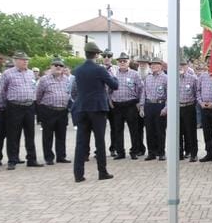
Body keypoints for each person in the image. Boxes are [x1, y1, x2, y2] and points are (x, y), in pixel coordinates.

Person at [71, 41, 118, 182]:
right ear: (97, 55)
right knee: (100, 141)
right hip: (97, 108)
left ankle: (78, 174)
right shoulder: (100, 70)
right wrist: (113, 75)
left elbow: (74, 90)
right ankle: (102, 172)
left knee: (81, 142)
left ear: (85, 53)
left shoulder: (78, 70)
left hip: (82, 108)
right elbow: (114, 85)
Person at [1, 51, 42, 170]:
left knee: (30, 134)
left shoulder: (30, 73)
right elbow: (2, 91)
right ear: (15, 61)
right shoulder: (7, 73)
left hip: (29, 106)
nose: (25, 61)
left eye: (27, 60)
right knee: (13, 134)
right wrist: (4, 106)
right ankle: (12, 160)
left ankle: (32, 159)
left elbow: (33, 88)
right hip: (14, 106)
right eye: (23, 59)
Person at [36, 58, 72, 165]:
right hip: (49, 110)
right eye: (56, 65)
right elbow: (38, 95)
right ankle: (49, 158)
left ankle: (61, 156)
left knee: (61, 135)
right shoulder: (44, 79)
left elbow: (69, 92)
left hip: (62, 111)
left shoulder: (66, 79)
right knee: (48, 135)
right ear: (51, 67)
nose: (58, 67)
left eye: (60, 65)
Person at [109, 52, 144, 159]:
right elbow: (108, 90)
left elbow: (141, 89)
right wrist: (110, 101)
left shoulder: (135, 74)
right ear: (117, 63)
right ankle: (120, 152)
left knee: (134, 130)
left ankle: (134, 151)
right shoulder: (113, 75)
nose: (122, 63)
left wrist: (139, 103)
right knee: (118, 130)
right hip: (117, 106)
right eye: (120, 61)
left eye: (124, 61)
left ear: (128, 62)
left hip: (131, 105)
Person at [141, 57, 168, 160]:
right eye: (152, 64)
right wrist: (142, 107)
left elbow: (169, 95)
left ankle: (161, 153)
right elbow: (143, 93)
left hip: (160, 105)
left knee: (160, 131)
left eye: (156, 64)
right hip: (149, 105)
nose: (153, 66)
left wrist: (166, 108)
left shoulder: (166, 78)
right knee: (149, 130)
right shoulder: (148, 78)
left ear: (161, 66)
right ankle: (151, 152)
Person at [196, 59, 212, 162]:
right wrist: (200, 102)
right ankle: (209, 153)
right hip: (204, 107)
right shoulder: (202, 76)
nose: (209, 64)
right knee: (207, 132)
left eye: (211, 62)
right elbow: (198, 91)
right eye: (207, 62)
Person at [178, 59, 198, 162]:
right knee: (178, 132)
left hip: (189, 107)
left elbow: (196, 93)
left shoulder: (193, 78)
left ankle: (193, 154)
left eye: (183, 65)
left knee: (191, 132)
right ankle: (179, 154)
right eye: (179, 65)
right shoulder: (173, 78)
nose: (181, 67)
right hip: (177, 108)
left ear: (187, 66)